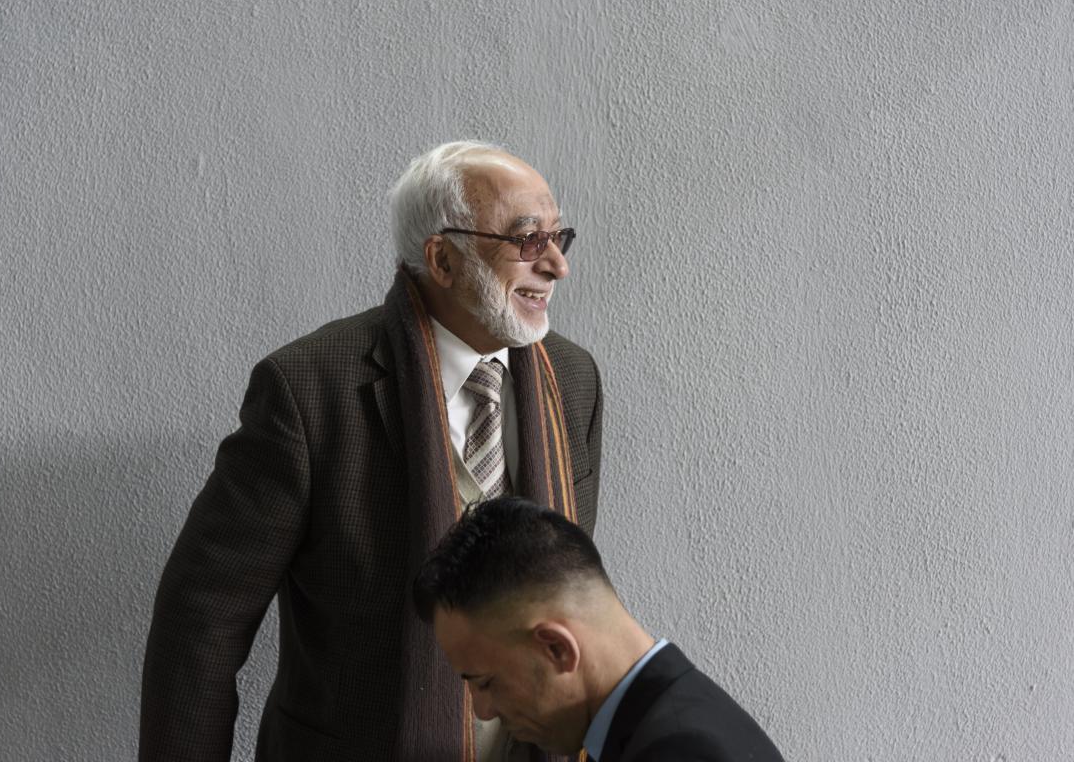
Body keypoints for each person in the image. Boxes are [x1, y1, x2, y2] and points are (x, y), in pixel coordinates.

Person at [138, 142, 603, 762]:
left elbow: (576, 597)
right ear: (443, 259)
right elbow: (201, 622)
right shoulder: (307, 389)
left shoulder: (572, 380)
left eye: (557, 236)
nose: (556, 265)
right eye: (526, 239)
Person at [413, 497, 785, 762]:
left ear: (557, 648)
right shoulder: (671, 724)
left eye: (485, 683)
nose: (483, 711)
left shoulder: (681, 752)